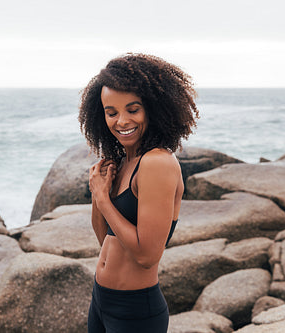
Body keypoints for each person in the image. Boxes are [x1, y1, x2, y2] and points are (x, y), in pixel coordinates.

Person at [78, 53, 199, 333]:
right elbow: (104, 239)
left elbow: (146, 256)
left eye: (133, 109)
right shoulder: (123, 162)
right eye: (111, 113)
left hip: (134, 312)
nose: (121, 121)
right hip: (101, 300)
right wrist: (99, 194)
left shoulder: (157, 163)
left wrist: (103, 198)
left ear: (154, 109)